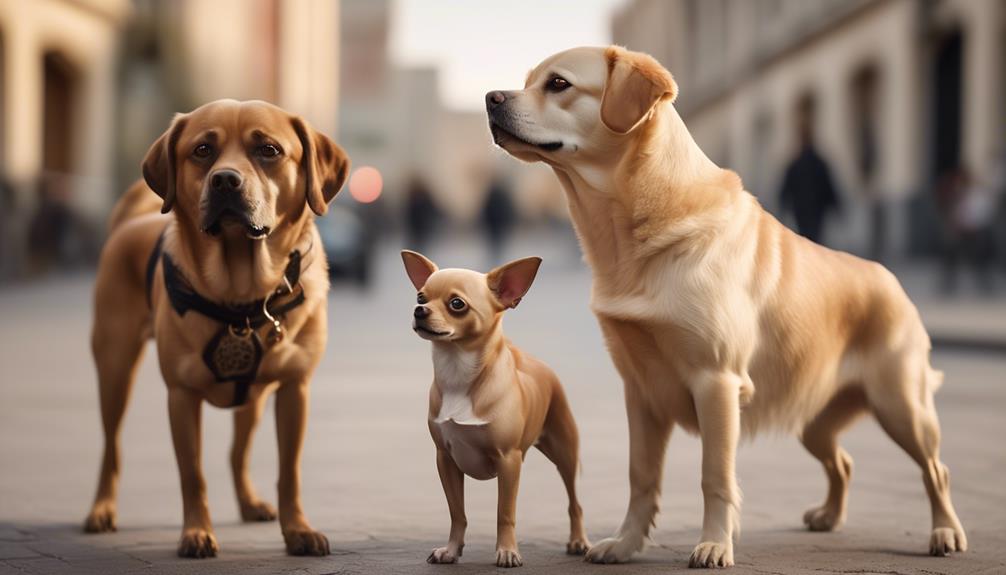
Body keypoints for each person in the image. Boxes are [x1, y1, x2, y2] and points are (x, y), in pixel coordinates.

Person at [779, 112, 841, 245]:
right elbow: (829, 187)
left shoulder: (795, 164)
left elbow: (785, 189)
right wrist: (837, 207)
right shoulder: (818, 162)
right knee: (815, 241)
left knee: (804, 240)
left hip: (801, 210)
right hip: (816, 211)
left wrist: (783, 205)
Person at [481, 175, 515, 265]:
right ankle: (497, 260)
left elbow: (487, 209)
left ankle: (496, 260)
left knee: (495, 243)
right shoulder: (501, 194)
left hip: (495, 224)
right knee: (497, 243)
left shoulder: (493, 194)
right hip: (497, 224)